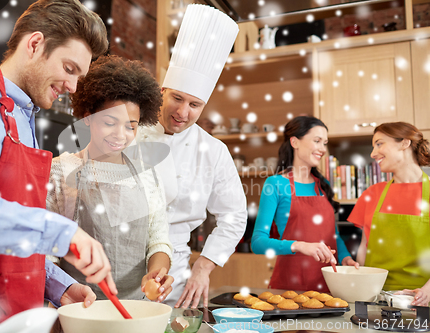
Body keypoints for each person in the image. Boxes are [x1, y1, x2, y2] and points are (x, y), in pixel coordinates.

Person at [0, 0, 116, 331]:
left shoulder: (24, 119)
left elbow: (2, 233)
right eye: (69, 68)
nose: (73, 87)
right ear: (34, 44)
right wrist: (61, 233)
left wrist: (57, 285)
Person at [136, 4, 246, 308]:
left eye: (195, 105)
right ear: (162, 90)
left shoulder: (213, 151)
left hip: (175, 279)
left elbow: (234, 216)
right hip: (115, 270)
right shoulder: (127, 132)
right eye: (177, 98)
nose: (183, 113)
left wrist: (204, 265)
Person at [46, 55, 174, 302]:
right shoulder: (61, 170)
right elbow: (48, 250)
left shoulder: (147, 174)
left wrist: (158, 272)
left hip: (135, 312)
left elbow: (158, 240)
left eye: (131, 126)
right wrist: (56, 295)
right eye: (109, 122)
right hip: (78, 309)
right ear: (87, 118)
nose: (121, 135)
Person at [252, 116, 359, 292]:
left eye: (325, 143)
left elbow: (334, 235)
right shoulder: (276, 184)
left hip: (330, 286)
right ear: (294, 142)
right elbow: (257, 242)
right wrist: (299, 245)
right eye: (317, 141)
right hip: (290, 289)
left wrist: (346, 258)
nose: (322, 149)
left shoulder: (323, 185)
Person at [348, 122, 430, 306]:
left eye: (379, 144)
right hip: (374, 297)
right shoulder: (371, 194)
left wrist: (428, 291)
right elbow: (364, 246)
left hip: (421, 299)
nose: (373, 153)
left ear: (404, 143)